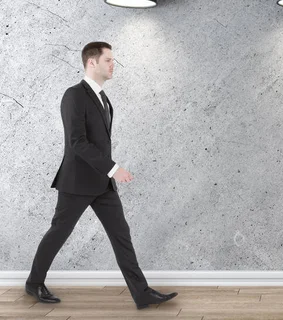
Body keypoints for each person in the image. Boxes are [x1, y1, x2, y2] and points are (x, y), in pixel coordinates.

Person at [25, 41, 177, 310]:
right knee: (60, 232)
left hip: (102, 184)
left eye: (113, 60)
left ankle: (141, 294)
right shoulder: (73, 95)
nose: (113, 64)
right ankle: (34, 282)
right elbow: (77, 142)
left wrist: (108, 173)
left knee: (121, 234)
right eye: (108, 60)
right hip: (77, 182)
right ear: (91, 62)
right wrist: (113, 168)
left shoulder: (104, 98)